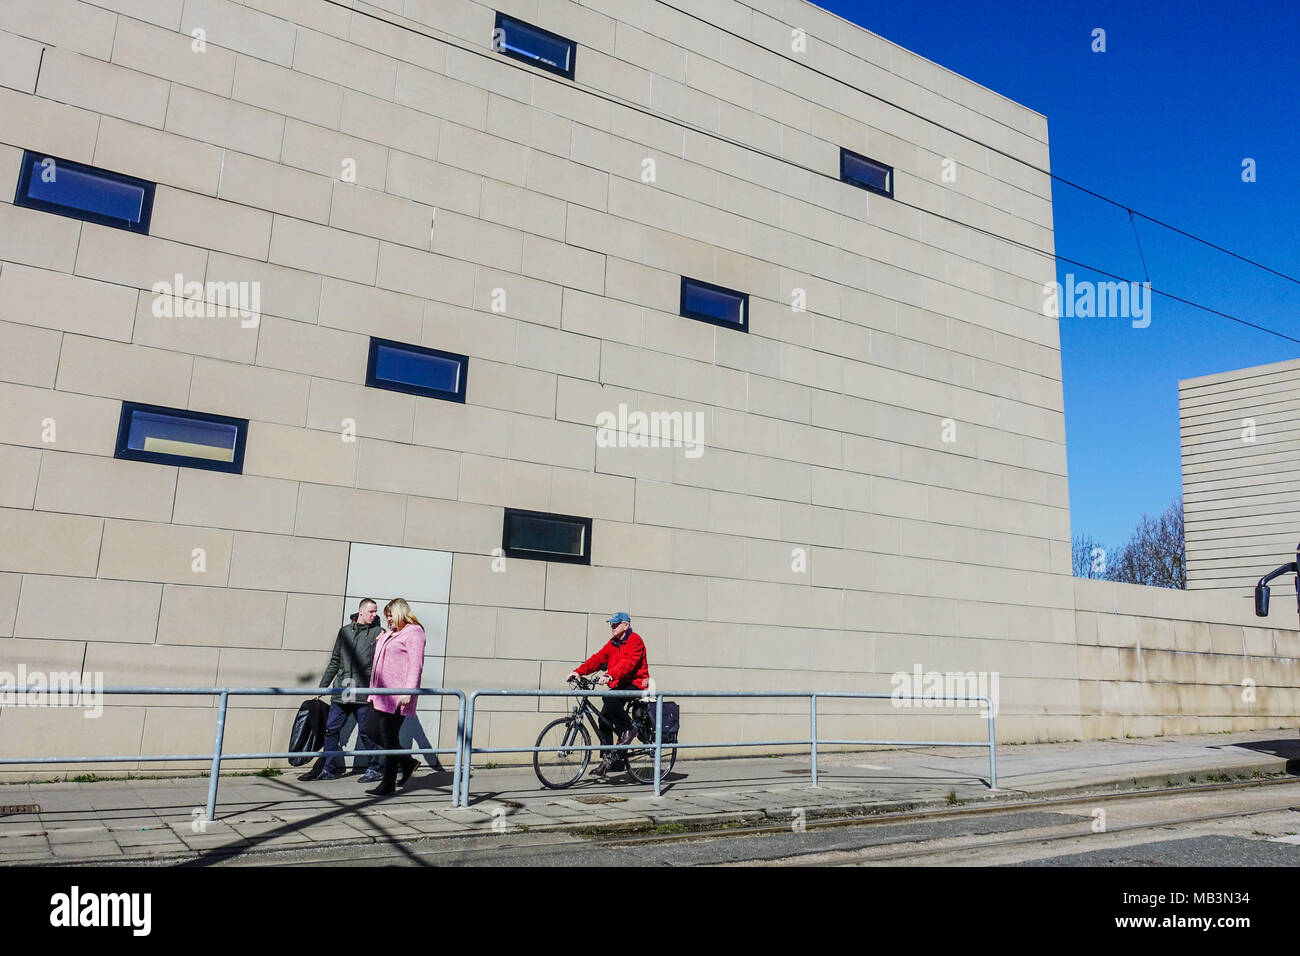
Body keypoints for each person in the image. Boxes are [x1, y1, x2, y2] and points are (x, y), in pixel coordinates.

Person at [301, 598, 384, 782]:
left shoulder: (378, 633)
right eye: (371, 611)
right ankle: (328, 769)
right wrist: (323, 686)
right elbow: (335, 660)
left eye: (376, 611)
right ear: (360, 611)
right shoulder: (345, 631)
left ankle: (375, 768)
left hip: (363, 691)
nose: (374, 615)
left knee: (366, 732)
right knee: (331, 730)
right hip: (343, 689)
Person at [567, 611, 650, 778]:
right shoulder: (613, 643)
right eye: (611, 624)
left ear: (626, 625)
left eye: (616, 623)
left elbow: (628, 663)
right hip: (620, 683)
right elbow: (598, 659)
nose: (612, 626)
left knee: (609, 698)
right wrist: (578, 672)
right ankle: (607, 761)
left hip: (636, 684)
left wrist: (610, 675)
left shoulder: (635, 640)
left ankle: (629, 729)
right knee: (603, 718)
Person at [364, 598, 426, 797]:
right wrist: (381, 639)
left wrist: (409, 691)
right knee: (372, 732)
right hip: (379, 694)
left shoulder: (414, 632)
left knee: (389, 738)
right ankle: (407, 762)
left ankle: (388, 784)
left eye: (391, 615)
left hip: (396, 697)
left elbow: (416, 665)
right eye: (386, 615)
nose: (388, 619)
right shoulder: (391, 633)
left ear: (401, 612)